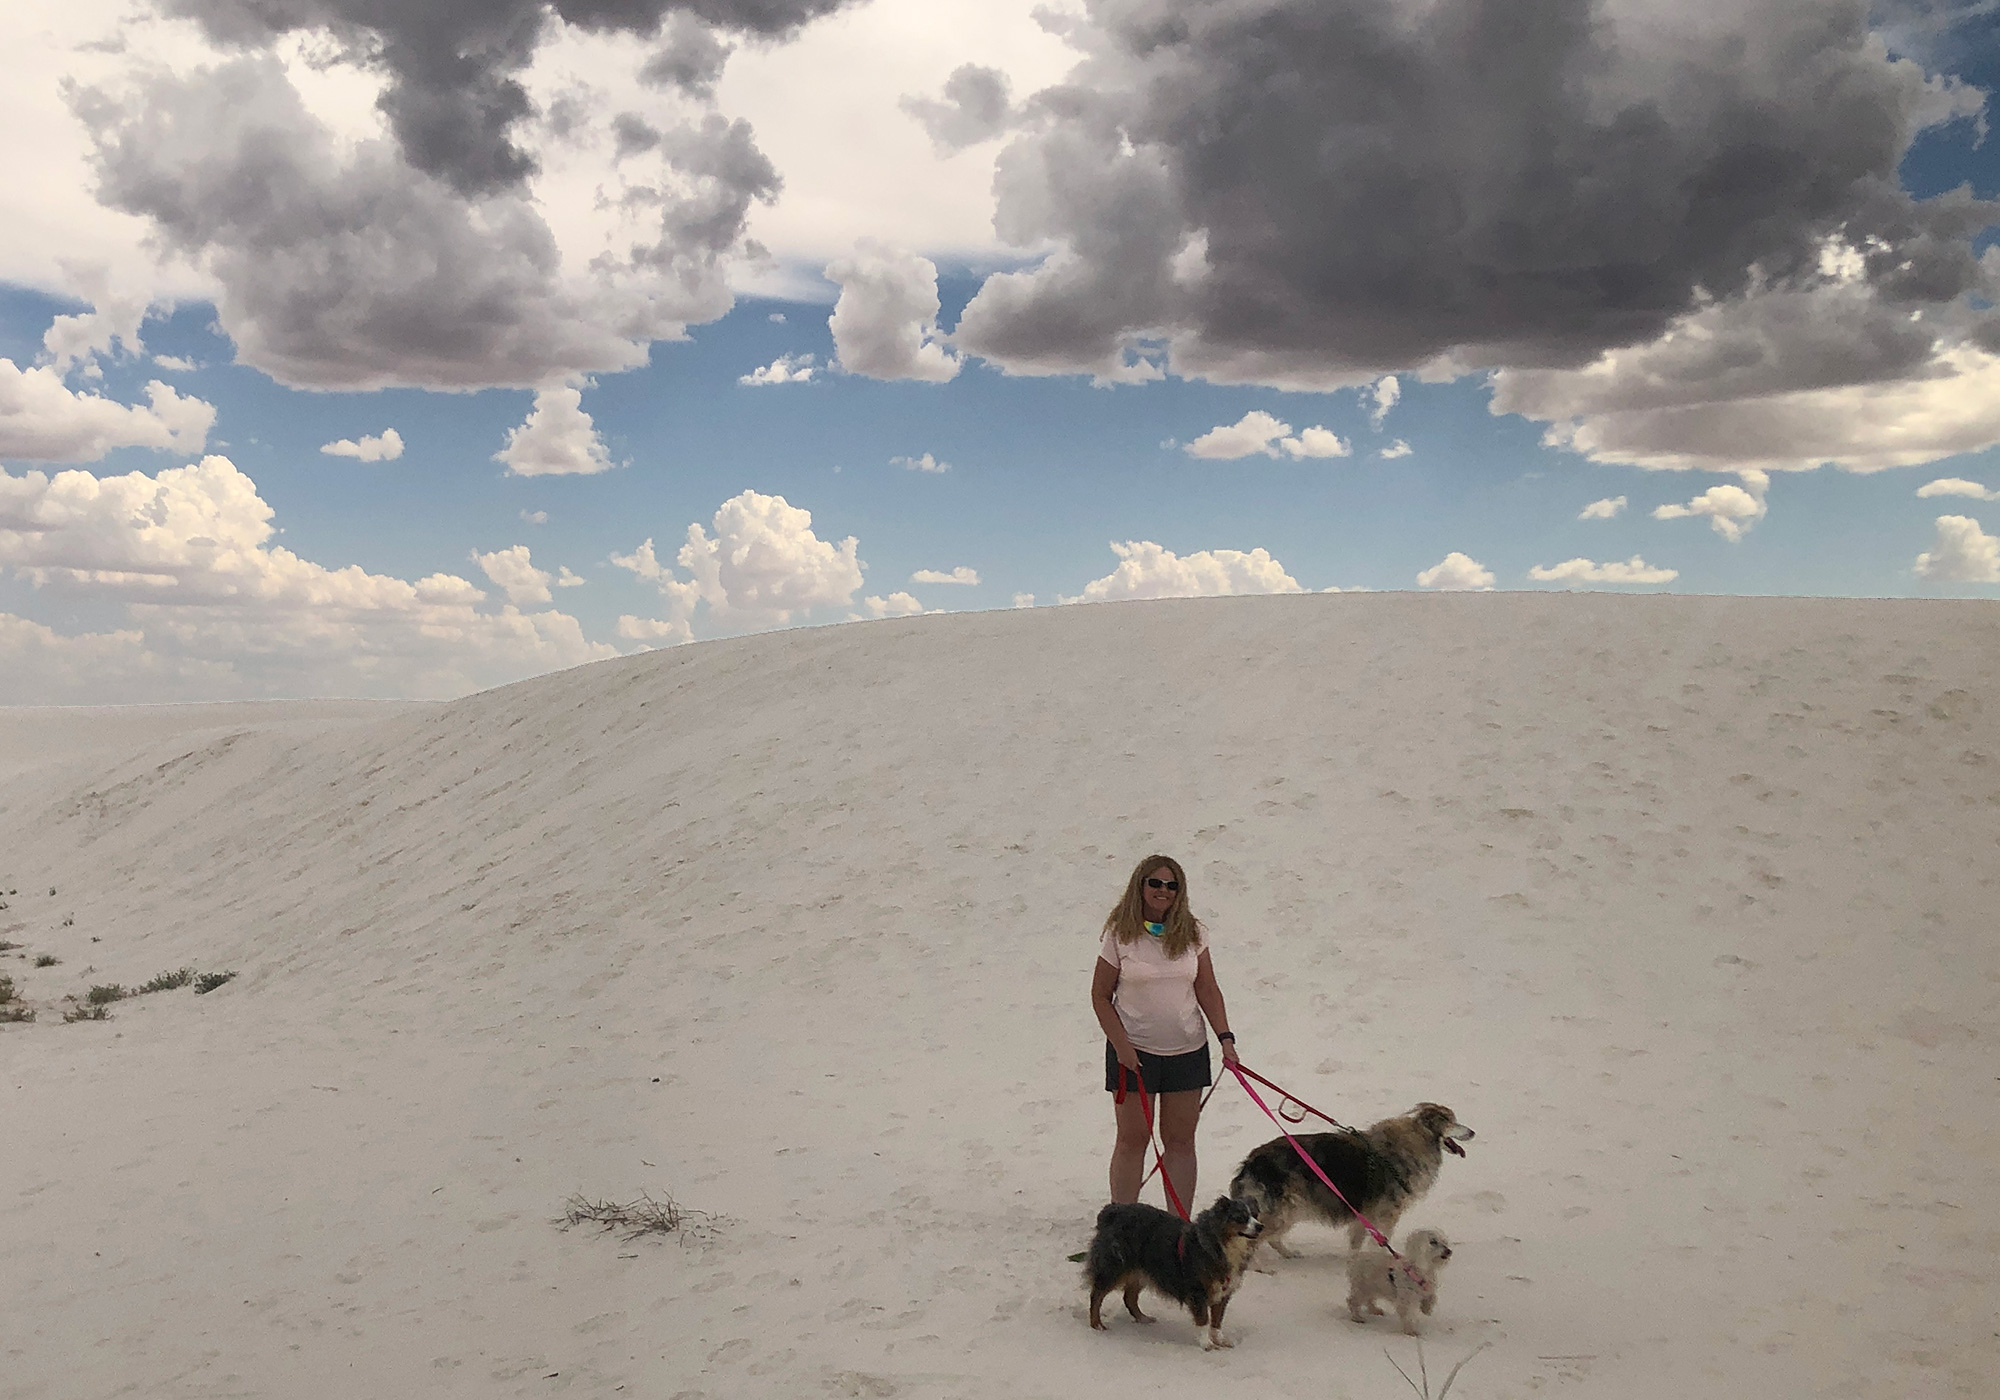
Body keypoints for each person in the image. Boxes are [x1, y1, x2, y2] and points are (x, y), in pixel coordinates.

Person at [1090, 854, 1238, 1208]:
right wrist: (1122, 1047)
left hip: (1187, 1049)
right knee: (1133, 1138)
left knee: (1181, 1141)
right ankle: (1122, 1224)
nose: (1163, 891)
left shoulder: (1193, 933)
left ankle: (1177, 1226)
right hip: (1133, 1052)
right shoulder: (1120, 935)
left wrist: (1226, 1039)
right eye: (1155, 883)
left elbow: (1207, 989)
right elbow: (1099, 995)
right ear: (1140, 886)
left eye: (1171, 885)